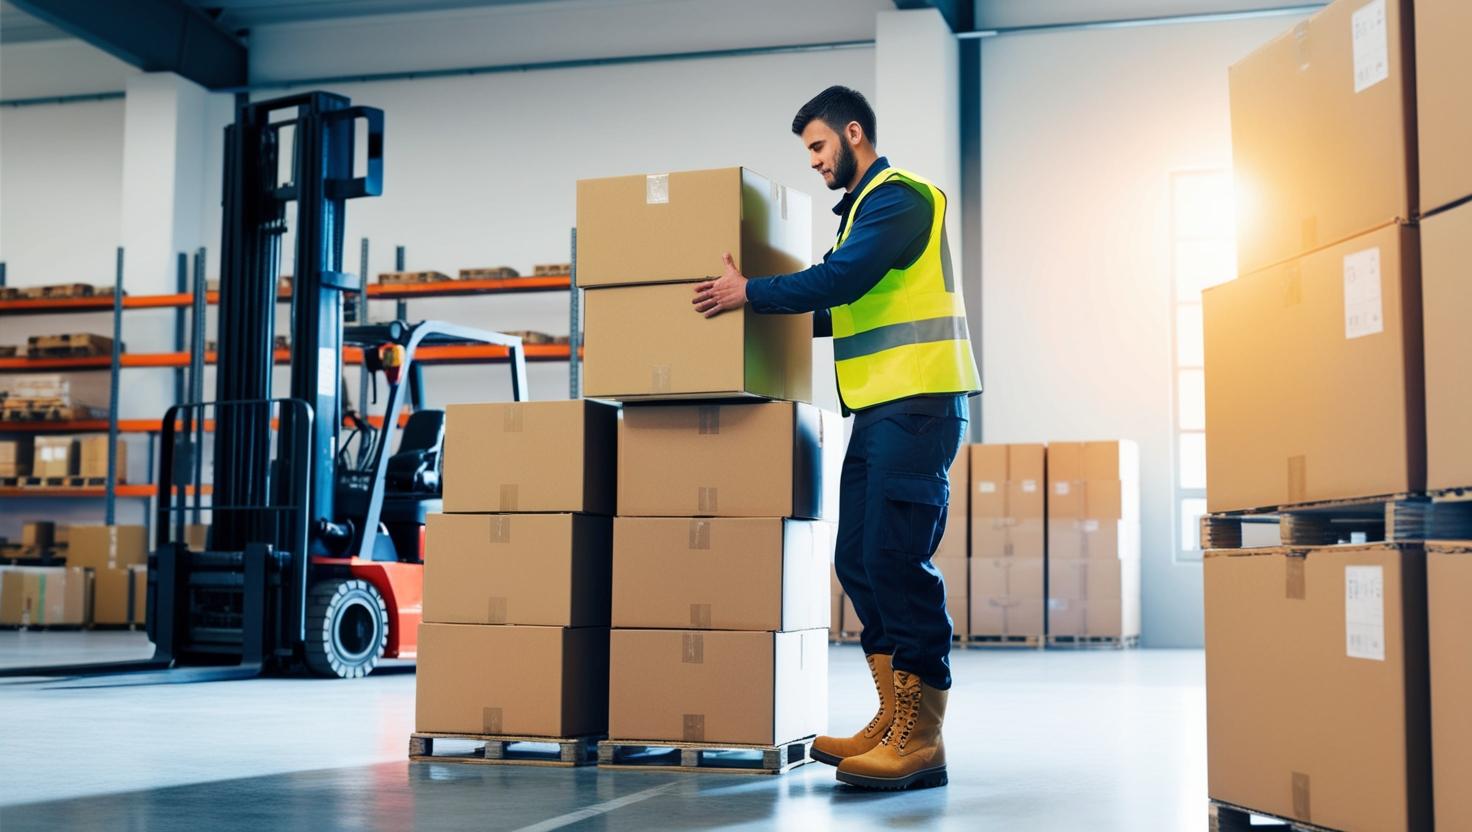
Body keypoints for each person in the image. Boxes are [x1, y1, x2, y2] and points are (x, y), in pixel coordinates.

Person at [692, 85, 981, 791]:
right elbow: (836, 309)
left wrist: (751, 294)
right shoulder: (859, 218)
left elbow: (841, 281)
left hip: (919, 404)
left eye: (818, 146)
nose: (815, 162)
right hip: (880, 408)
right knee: (858, 560)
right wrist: (750, 310)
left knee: (895, 557)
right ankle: (891, 716)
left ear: (854, 134)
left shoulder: (902, 198)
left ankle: (921, 738)